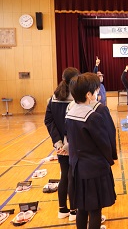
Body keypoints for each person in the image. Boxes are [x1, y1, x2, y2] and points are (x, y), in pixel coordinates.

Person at [66, 73, 116, 229]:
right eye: (95, 90)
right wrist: (109, 161)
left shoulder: (70, 113)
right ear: (88, 95)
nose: (97, 92)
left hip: (77, 168)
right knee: (95, 210)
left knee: (82, 207)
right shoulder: (92, 116)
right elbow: (104, 144)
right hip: (94, 170)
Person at [44, 67, 79, 221]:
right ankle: (73, 211)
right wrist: (67, 143)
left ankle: (62, 209)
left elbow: (49, 121)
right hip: (73, 144)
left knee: (64, 174)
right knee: (73, 176)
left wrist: (57, 142)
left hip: (60, 145)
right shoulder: (76, 99)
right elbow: (72, 123)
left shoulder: (53, 97)